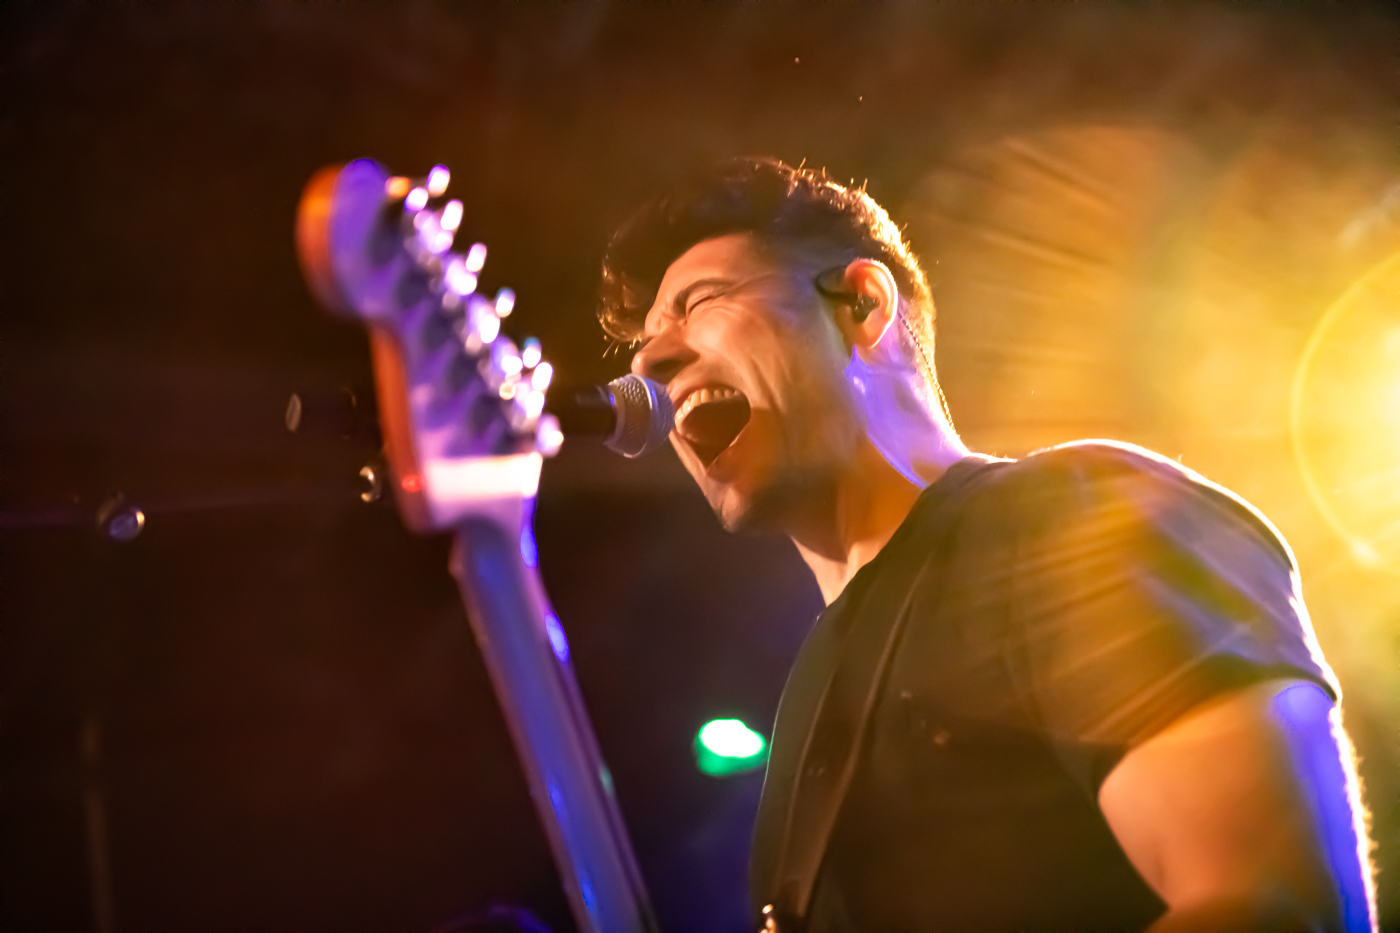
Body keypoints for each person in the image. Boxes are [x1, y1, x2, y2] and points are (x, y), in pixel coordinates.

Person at [597, 157, 1377, 933]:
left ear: (863, 304)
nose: (649, 362)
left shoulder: (1063, 520)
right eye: (645, 340)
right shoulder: (809, 696)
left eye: (699, 302)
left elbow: (1277, 907)